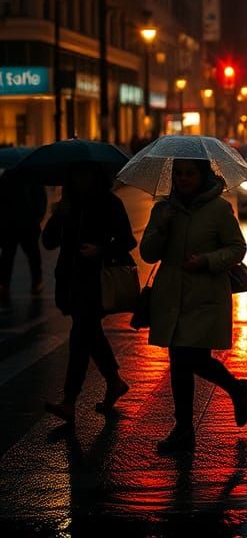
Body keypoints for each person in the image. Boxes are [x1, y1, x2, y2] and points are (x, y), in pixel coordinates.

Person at [140, 158, 247, 454]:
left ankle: (231, 392)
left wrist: (207, 260)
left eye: (190, 173)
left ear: (203, 175)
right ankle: (185, 429)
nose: (183, 179)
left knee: (192, 359)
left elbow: (237, 247)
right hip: (171, 296)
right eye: (178, 173)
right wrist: (162, 229)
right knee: (179, 362)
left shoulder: (218, 209)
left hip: (204, 296)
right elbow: (148, 253)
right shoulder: (163, 209)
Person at [43, 164, 137, 423]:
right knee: (90, 333)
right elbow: (49, 242)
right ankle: (114, 381)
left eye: (85, 174)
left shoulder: (110, 203)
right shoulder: (67, 206)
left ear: (97, 176)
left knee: (80, 335)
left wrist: (101, 251)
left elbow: (128, 241)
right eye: (76, 174)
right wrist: (57, 216)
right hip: (70, 281)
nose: (81, 179)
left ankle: (70, 401)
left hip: (97, 281)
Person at [0, 171, 47, 299]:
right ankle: (36, 281)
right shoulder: (31, 178)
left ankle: (5, 284)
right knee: (31, 254)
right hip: (25, 223)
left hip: (14, 224)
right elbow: (41, 198)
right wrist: (38, 217)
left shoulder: (5, 178)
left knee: (8, 255)